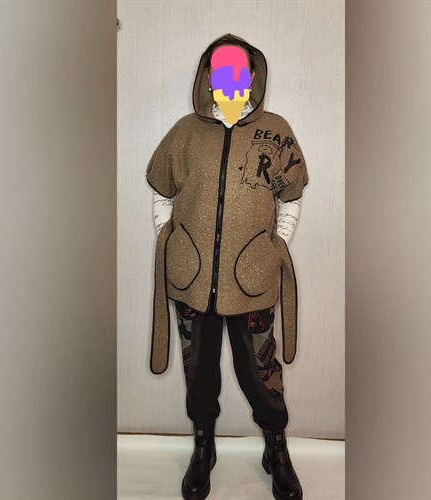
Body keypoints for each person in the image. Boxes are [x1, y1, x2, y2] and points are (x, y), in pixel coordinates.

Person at [146, 33, 309, 500]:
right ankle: (204, 447)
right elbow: (161, 190)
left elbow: (291, 196)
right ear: (209, 77)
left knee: (260, 370)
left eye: (240, 69)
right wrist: (171, 238)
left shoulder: (276, 132)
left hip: (251, 281)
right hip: (192, 279)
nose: (231, 78)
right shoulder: (184, 133)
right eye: (221, 70)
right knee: (198, 371)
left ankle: (276, 447)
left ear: (253, 75)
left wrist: (274, 246)